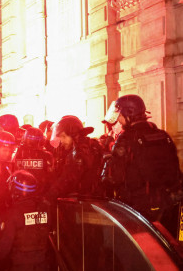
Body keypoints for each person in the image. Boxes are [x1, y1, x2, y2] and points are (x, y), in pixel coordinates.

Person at [102, 95, 182, 234]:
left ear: (129, 114)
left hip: (138, 210)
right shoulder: (162, 135)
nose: (119, 119)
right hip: (167, 205)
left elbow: (113, 177)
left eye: (120, 115)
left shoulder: (126, 139)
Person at [45, 115, 103, 200]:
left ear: (74, 135)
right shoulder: (89, 145)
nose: (61, 141)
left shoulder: (79, 152)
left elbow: (68, 179)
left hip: (83, 203)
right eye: (60, 137)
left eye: (64, 136)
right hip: (90, 200)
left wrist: (49, 196)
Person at [12, 126, 54, 191]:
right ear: (42, 141)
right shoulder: (47, 156)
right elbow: (51, 178)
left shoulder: (18, 153)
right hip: (40, 194)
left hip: (20, 191)